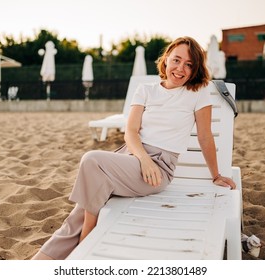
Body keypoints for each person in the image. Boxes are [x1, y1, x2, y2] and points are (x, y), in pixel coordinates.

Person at [31, 36, 236, 260]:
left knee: (91, 161)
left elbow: (206, 137)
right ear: (166, 59)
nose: (181, 68)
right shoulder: (146, 90)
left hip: (159, 168)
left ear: (195, 69)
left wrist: (216, 175)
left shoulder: (198, 92)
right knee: (76, 214)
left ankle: (86, 238)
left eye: (189, 64)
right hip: (131, 158)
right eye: (176, 60)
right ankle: (41, 262)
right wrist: (143, 160)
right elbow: (131, 132)